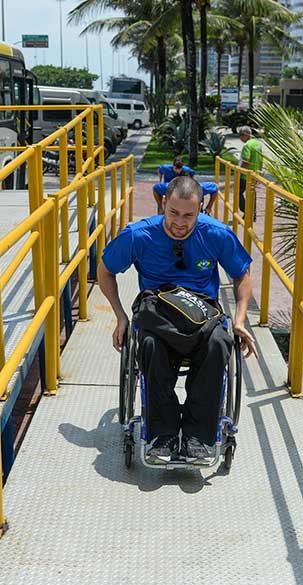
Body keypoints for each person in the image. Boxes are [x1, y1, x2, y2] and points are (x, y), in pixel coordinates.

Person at [98, 175, 258, 464]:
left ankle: (198, 435)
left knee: (220, 343)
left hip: (202, 313)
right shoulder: (138, 235)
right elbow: (105, 270)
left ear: (200, 210)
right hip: (158, 312)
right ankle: (164, 434)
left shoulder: (216, 233)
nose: (180, 222)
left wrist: (240, 320)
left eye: (189, 215)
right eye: (173, 213)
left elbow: (242, 276)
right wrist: (120, 317)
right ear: (162, 203)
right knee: (148, 345)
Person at [237, 126, 262, 214]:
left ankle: (247, 211)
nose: (240, 138)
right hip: (255, 174)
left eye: (240, 136)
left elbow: (245, 160)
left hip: (245, 175)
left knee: (238, 192)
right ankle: (253, 213)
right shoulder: (257, 144)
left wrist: (240, 171)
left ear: (245, 135)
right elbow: (261, 159)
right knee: (252, 194)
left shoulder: (247, 145)